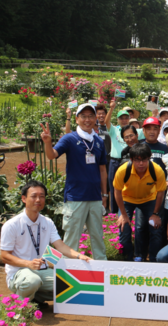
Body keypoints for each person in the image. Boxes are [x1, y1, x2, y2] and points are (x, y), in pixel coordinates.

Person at [1, 181, 91, 307]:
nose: (38, 199)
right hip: (19, 272)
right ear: (24, 199)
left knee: (71, 286)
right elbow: (5, 256)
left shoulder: (47, 222)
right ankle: (18, 305)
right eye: (33, 196)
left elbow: (60, 246)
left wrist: (79, 256)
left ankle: (34, 297)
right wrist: (28, 264)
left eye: (42, 196)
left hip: (41, 271)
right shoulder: (12, 225)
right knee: (33, 281)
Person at [41, 103, 108, 260]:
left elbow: (103, 170)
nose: (87, 119)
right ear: (77, 119)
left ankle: (101, 270)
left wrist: (104, 194)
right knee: (72, 238)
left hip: (95, 197)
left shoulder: (98, 141)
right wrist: (47, 143)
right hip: (75, 197)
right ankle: (69, 274)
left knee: (98, 236)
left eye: (91, 116)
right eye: (83, 116)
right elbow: (52, 155)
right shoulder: (70, 138)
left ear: (95, 119)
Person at [113, 143, 167, 262]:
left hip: (149, 200)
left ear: (149, 158)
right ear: (131, 159)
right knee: (124, 230)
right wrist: (123, 214)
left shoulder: (157, 170)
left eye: (144, 160)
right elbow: (117, 192)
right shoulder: (122, 170)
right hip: (127, 200)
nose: (141, 164)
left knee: (156, 229)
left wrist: (155, 213)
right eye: (137, 160)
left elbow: (161, 193)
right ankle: (127, 261)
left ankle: (154, 260)